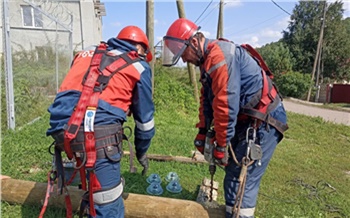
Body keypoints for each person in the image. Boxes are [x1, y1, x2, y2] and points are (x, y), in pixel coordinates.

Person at [162, 18, 288, 218]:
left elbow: (225, 105)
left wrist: (221, 146)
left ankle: (239, 214)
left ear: (194, 42)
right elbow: (207, 100)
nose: (184, 60)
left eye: (183, 53)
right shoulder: (207, 61)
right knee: (233, 176)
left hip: (264, 120)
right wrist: (203, 132)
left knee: (240, 182)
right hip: (247, 119)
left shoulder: (219, 57)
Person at [46, 25, 155, 218]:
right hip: (97, 137)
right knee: (108, 204)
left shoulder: (86, 53)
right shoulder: (138, 65)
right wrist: (142, 152)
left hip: (60, 130)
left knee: (94, 183)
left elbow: (81, 91)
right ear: (140, 48)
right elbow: (144, 123)